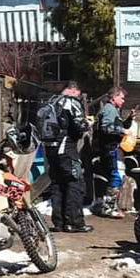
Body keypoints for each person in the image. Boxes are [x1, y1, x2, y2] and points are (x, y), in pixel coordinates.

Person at [43, 81, 93, 233]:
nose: (78, 96)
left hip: (50, 148)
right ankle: (74, 222)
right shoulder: (70, 102)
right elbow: (79, 125)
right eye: (78, 94)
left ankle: (59, 222)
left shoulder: (50, 101)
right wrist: (88, 123)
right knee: (75, 182)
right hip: (66, 147)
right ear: (72, 90)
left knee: (57, 183)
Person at [97, 86, 136, 218]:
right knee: (115, 178)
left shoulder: (114, 110)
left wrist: (129, 119)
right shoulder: (109, 110)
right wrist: (123, 131)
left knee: (113, 177)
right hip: (109, 148)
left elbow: (118, 126)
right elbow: (106, 128)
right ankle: (108, 208)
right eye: (122, 98)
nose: (123, 101)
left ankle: (108, 206)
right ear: (114, 97)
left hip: (110, 148)